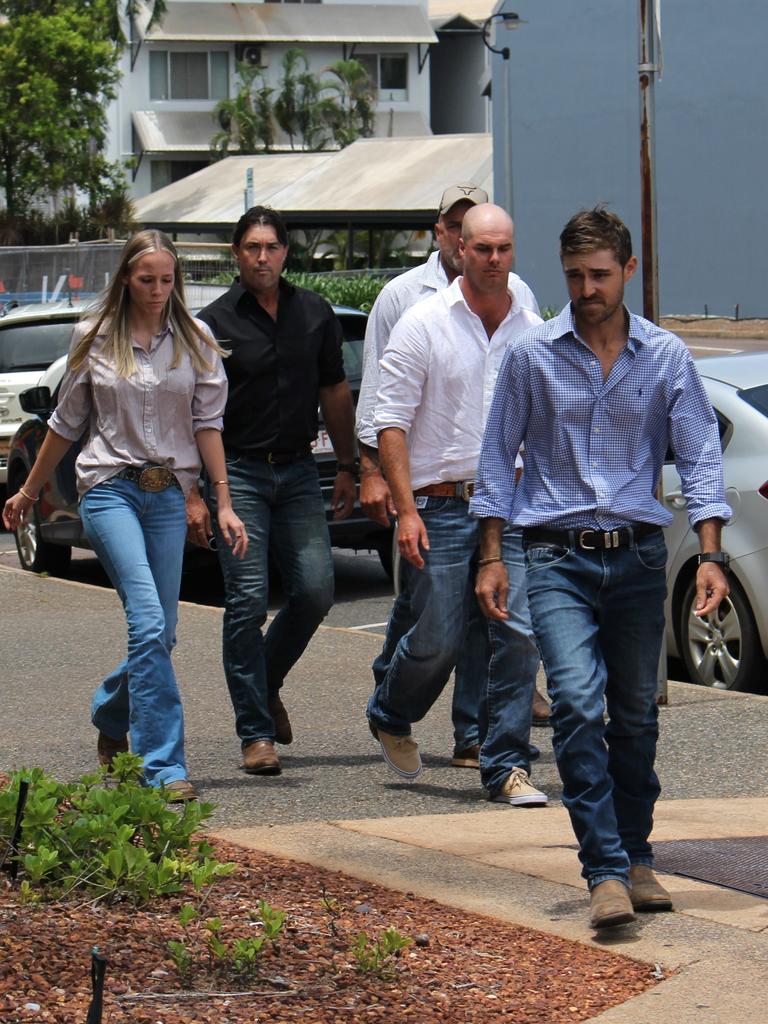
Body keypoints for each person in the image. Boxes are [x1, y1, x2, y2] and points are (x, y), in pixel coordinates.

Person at [472, 207, 732, 927]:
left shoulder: (667, 357)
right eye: (575, 276)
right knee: (580, 705)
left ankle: (637, 856)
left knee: (637, 717)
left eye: (600, 275)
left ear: (629, 272)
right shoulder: (531, 355)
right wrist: (491, 556)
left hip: (641, 559)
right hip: (555, 555)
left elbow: (702, 458)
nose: (586, 288)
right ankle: (605, 871)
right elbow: (497, 458)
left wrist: (710, 555)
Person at [2, 230, 246, 802]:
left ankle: (111, 714)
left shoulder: (197, 338)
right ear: (126, 280)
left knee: (163, 633)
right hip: (109, 489)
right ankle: (164, 767)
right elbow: (66, 422)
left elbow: (207, 425)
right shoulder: (94, 336)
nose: (158, 291)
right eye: (146, 280)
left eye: (167, 280)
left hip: (166, 494)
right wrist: (29, 492)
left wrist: (222, 501)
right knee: (149, 624)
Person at [356, 183, 550, 770]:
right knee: (438, 635)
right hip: (439, 503)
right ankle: (391, 709)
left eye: (505, 248)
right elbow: (389, 419)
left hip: (510, 503)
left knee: (515, 630)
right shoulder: (421, 320)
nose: (494, 259)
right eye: (483, 248)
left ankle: (501, 753)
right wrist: (405, 507)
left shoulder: (529, 321)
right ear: (458, 249)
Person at [188, 206, 356, 777]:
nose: (263, 257)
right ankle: (255, 733)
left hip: (299, 472)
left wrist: (354, 466)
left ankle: (265, 679)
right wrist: (200, 492)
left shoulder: (314, 313)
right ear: (237, 253)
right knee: (247, 601)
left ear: (287, 253)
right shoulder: (211, 323)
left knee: (314, 591)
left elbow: (334, 391)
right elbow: (197, 414)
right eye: (252, 247)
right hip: (237, 474)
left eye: (272, 247)